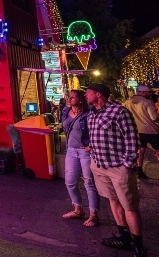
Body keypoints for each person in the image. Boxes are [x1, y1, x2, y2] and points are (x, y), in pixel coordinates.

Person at [85, 83, 147, 257]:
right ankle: (123, 235)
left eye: (88, 93)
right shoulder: (91, 113)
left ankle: (138, 245)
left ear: (98, 94)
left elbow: (132, 139)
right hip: (99, 166)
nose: (85, 95)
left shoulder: (119, 112)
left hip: (118, 167)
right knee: (113, 200)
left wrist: (127, 164)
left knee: (130, 206)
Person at [123, 85, 159, 179]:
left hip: (137, 130)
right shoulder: (147, 102)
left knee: (140, 151)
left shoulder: (127, 103)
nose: (150, 94)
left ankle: (139, 170)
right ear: (143, 92)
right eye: (149, 92)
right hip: (151, 130)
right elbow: (155, 117)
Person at [60, 90, 99, 227]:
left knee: (89, 183)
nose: (70, 98)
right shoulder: (65, 111)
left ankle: (93, 215)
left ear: (81, 99)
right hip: (71, 151)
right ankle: (78, 209)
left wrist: (92, 145)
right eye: (69, 96)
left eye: (74, 96)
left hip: (85, 152)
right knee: (70, 182)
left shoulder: (89, 114)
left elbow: (97, 130)